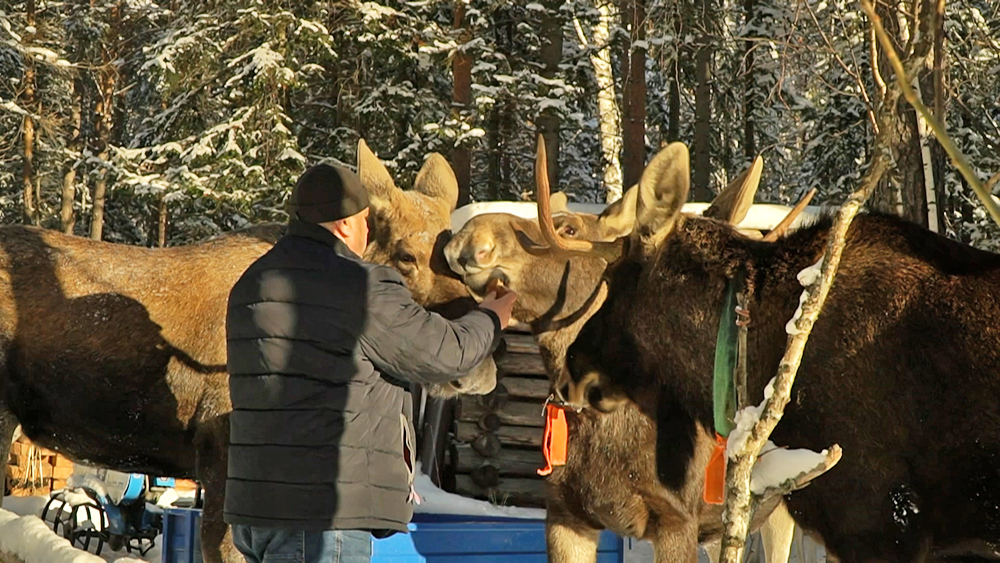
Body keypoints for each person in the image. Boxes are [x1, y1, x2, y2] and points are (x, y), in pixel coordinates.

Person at [224, 163, 516, 563]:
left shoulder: (251, 282)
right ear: (345, 224)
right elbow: (446, 354)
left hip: (256, 510)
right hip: (324, 515)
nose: (366, 233)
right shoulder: (359, 285)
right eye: (365, 222)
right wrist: (493, 315)